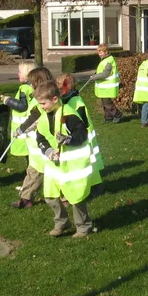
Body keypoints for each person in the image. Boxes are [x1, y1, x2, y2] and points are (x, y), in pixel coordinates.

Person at [33, 81, 99, 238]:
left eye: (43, 103)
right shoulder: (44, 117)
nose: (41, 107)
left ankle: (84, 226)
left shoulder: (68, 114)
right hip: (54, 165)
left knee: (76, 196)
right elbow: (40, 138)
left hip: (72, 165)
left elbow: (82, 134)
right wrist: (48, 151)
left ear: (55, 99)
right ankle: (62, 222)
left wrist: (69, 139)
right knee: (49, 196)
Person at [10, 66, 55, 208]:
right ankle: (26, 199)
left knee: (51, 174)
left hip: (45, 145)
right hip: (35, 145)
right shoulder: (37, 98)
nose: (30, 85)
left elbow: (34, 118)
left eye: (31, 82)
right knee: (33, 172)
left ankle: (64, 199)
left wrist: (21, 129)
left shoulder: (44, 100)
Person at [57, 73, 104, 193]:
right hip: (82, 134)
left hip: (83, 135)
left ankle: (95, 187)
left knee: (89, 162)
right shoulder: (70, 99)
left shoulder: (75, 102)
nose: (57, 88)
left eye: (60, 86)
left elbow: (78, 121)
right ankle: (95, 186)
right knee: (89, 163)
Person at [0, 61, 36, 207]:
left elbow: (22, 106)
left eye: (20, 72)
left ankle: (29, 185)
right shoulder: (32, 87)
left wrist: (8, 100)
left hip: (24, 129)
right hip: (30, 127)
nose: (18, 74)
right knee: (31, 159)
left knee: (31, 160)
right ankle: (29, 185)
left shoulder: (23, 88)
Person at [90, 43, 122, 123]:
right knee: (104, 104)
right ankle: (108, 118)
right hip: (104, 87)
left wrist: (94, 77)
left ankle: (118, 115)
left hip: (108, 87)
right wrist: (96, 74)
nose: (99, 53)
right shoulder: (104, 60)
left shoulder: (109, 61)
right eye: (98, 51)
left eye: (101, 52)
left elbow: (105, 74)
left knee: (108, 104)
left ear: (106, 52)